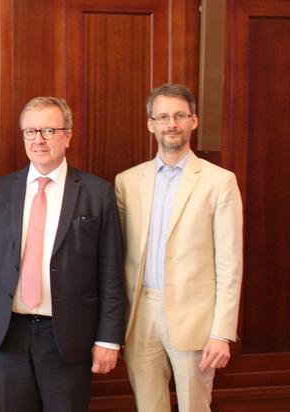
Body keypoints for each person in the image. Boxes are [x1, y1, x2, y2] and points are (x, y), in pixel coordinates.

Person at [0, 96, 127, 411]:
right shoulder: (0, 191)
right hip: (9, 333)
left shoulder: (97, 193)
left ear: (68, 135)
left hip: (67, 336)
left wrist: (109, 339)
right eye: (30, 131)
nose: (38, 139)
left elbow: (111, 272)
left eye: (48, 130)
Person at [115, 83, 243, 412]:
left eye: (180, 115)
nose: (172, 123)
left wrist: (222, 333)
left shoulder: (220, 182)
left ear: (194, 121)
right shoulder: (127, 182)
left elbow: (230, 264)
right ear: (151, 123)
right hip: (141, 316)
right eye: (163, 116)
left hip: (196, 319)